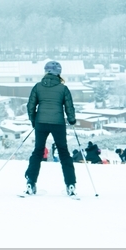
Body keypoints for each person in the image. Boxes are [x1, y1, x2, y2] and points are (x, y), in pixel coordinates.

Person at [23, 61, 77, 196]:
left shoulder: (37, 87)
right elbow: (69, 107)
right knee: (64, 153)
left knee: (38, 152)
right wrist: (71, 120)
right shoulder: (63, 88)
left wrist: (34, 120)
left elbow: (30, 106)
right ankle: (70, 184)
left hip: (41, 122)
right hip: (58, 123)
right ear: (59, 72)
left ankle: (31, 182)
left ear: (46, 71)